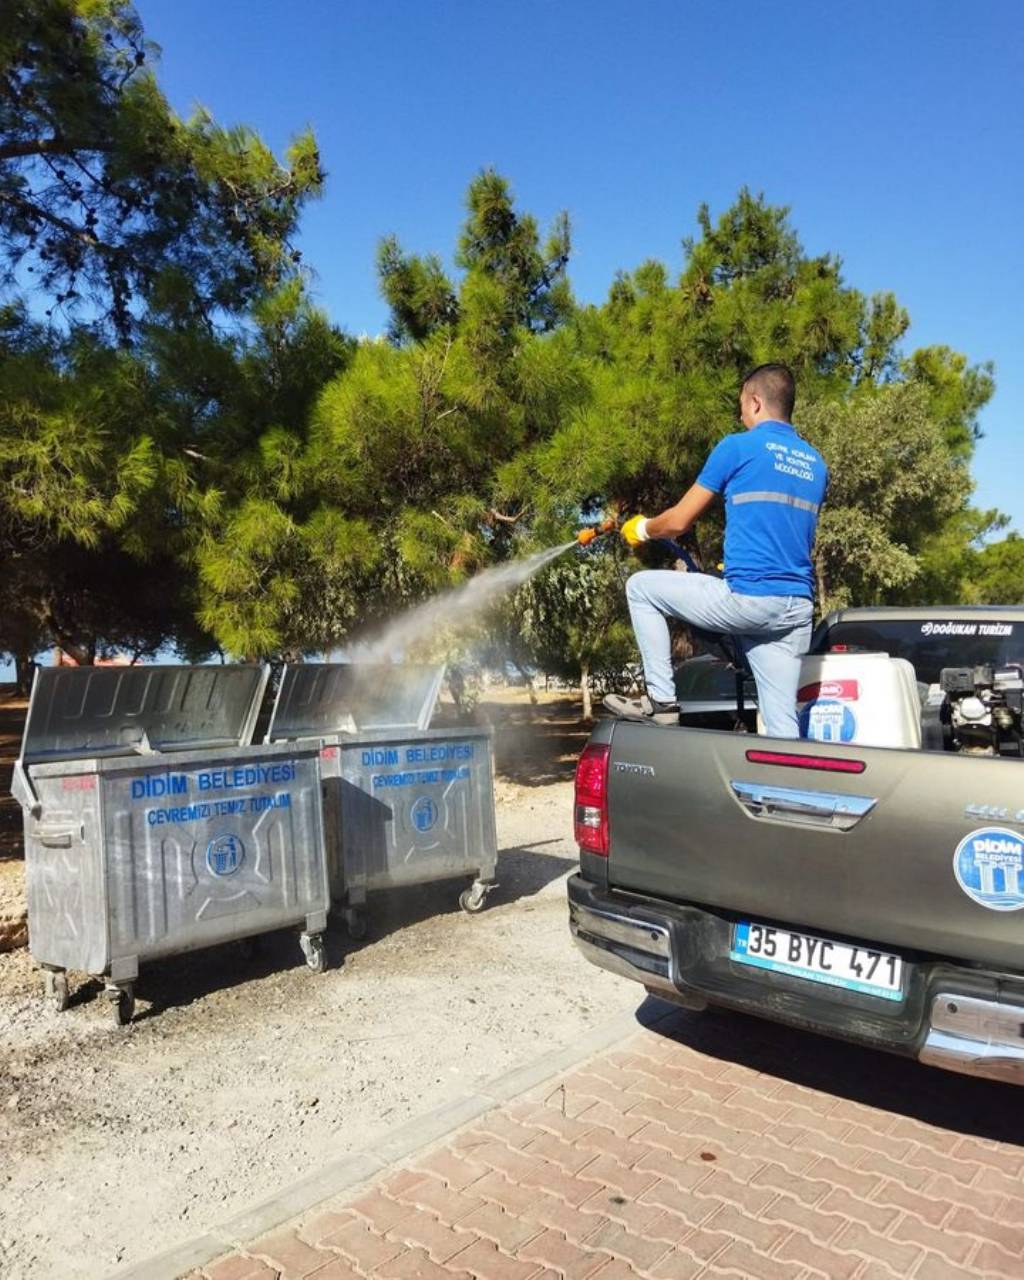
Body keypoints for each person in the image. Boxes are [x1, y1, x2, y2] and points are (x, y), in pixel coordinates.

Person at [605, 363, 828, 736]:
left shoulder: (737, 447)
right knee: (781, 725)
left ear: (756, 402)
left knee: (641, 588)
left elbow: (679, 521)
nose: (741, 415)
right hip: (796, 611)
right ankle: (784, 792)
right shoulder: (816, 465)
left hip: (749, 599)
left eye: (742, 406)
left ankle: (661, 702)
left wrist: (642, 528)